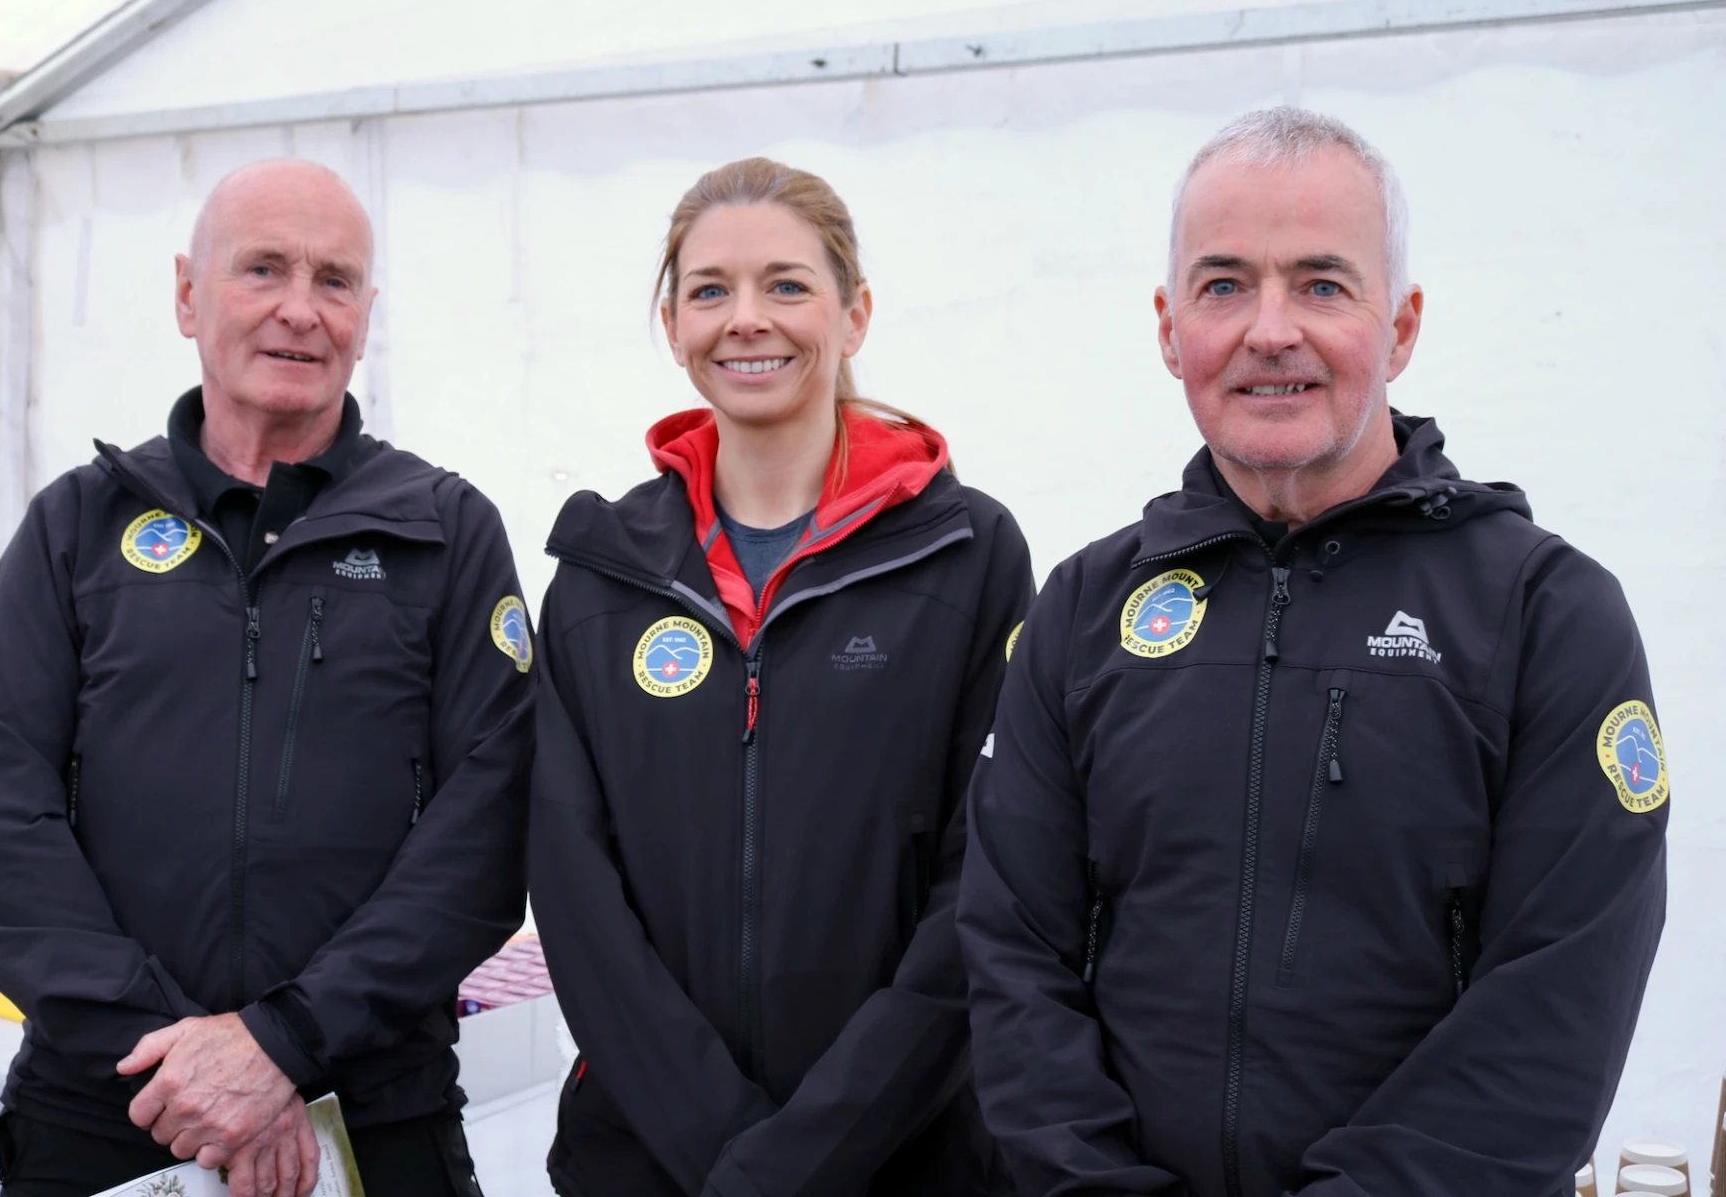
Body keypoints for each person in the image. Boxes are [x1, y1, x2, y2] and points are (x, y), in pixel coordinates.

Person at [958, 107, 1668, 1197]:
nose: (1270, 329)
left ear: (1403, 325)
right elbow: (1013, 956)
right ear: (1168, 325)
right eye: (1225, 284)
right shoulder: (1086, 608)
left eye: (1323, 284)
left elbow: (1558, 991)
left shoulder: (1544, 611)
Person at [0, 159, 533, 1197]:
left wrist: (285, 1042)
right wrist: (188, 1062)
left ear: (366, 312)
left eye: (335, 280)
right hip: (106, 1106)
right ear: (187, 294)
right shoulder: (79, 527)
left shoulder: (445, 532)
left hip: (373, 1114)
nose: (300, 309)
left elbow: (486, 828)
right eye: (263, 268)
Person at [530, 158, 1033, 1196]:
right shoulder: (597, 577)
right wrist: (726, 1153)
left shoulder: (967, 554)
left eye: (787, 285)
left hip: (905, 1159)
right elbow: (575, 897)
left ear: (855, 314)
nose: (746, 319)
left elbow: (983, 882)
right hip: (646, 1162)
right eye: (710, 289)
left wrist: (805, 1159)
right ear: (672, 325)